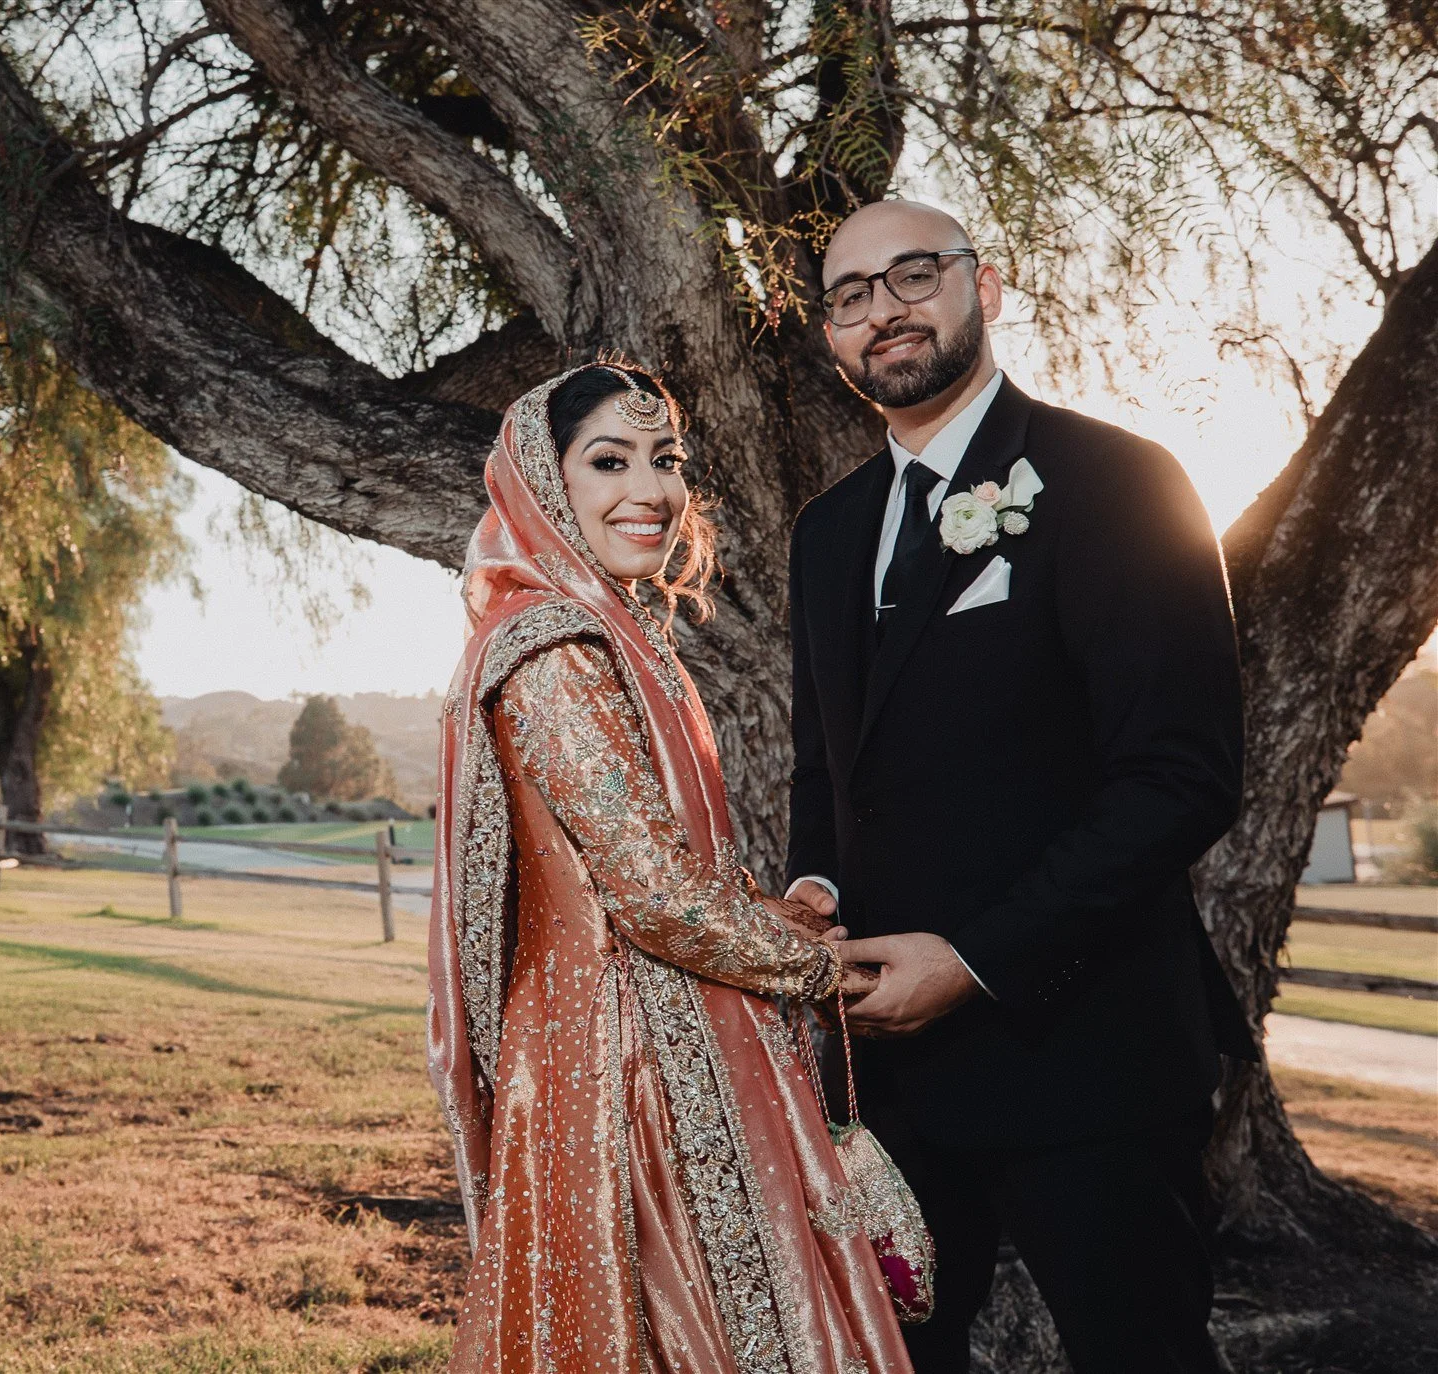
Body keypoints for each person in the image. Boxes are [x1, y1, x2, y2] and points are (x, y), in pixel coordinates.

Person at [782, 200, 1254, 1374]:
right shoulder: (825, 531)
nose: (882, 310)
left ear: (980, 285)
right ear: (829, 335)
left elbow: (1179, 777)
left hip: (1084, 1050)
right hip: (887, 1070)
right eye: (848, 295)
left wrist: (976, 958)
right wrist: (810, 889)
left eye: (911, 275)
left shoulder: (1115, 479)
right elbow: (822, 764)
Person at [430, 363, 916, 1373]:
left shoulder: (620, 633)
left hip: (670, 1029)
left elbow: (678, 871)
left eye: (665, 462)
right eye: (607, 461)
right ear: (541, 481)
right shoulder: (555, 648)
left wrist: (787, 924)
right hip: (626, 1067)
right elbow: (652, 895)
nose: (647, 491)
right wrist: (826, 970)